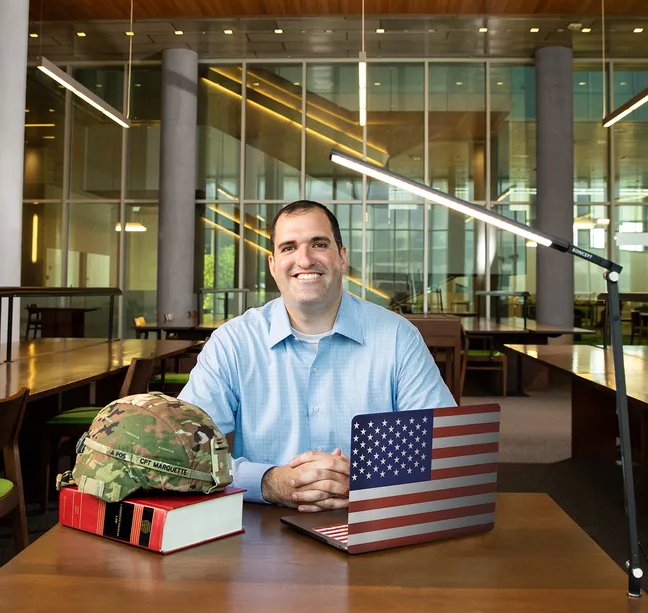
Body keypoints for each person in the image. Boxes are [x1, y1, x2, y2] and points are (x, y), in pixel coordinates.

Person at [178, 200, 455, 513]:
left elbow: (443, 447)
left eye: (319, 244)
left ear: (342, 257)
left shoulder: (397, 338)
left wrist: (361, 479)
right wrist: (268, 482)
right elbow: (184, 452)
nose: (305, 259)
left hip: (375, 524)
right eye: (289, 247)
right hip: (261, 532)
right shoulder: (233, 342)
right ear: (272, 265)